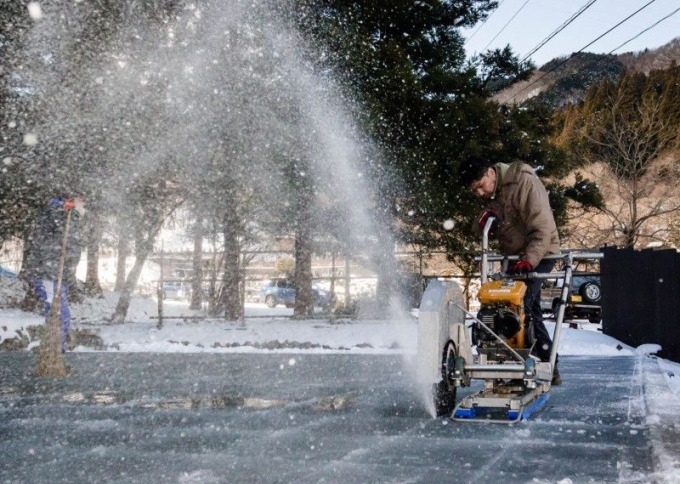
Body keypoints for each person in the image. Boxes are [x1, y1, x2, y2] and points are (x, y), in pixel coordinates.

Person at [459, 156, 562, 385]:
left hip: (542, 252)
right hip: (515, 257)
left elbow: (542, 228)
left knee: (521, 307)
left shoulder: (525, 183)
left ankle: (527, 363)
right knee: (507, 306)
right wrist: (483, 221)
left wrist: (530, 259)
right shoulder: (490, 193)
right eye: (474, 190)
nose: (479, 193)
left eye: (480, 186)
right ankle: (543, 362)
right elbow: (479, 228)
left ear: (491, 173)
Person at [25, 194, 85, 353]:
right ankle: (55, 346)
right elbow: (53, 243)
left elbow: (69, 247)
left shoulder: (67, 217)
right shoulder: (58, 215)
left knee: (59, 311)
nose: (83, 205)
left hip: (57, 274)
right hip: (48, 273)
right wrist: (70, 210)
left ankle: (57, 347)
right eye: (80, 202)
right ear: (71, 201)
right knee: (57, 311)